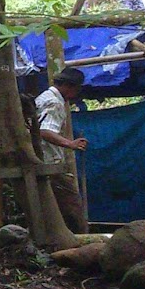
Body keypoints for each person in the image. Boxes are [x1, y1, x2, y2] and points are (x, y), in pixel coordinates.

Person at [35, 67, 88, 234]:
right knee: (71, 207)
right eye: (77, 89)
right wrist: (70, 144)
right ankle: (79, 241)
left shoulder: (43, 97)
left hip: (40, 161)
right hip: (51, 164)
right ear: (69, 86)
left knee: (52, 208)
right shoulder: (54, 102)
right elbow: (45, 131)